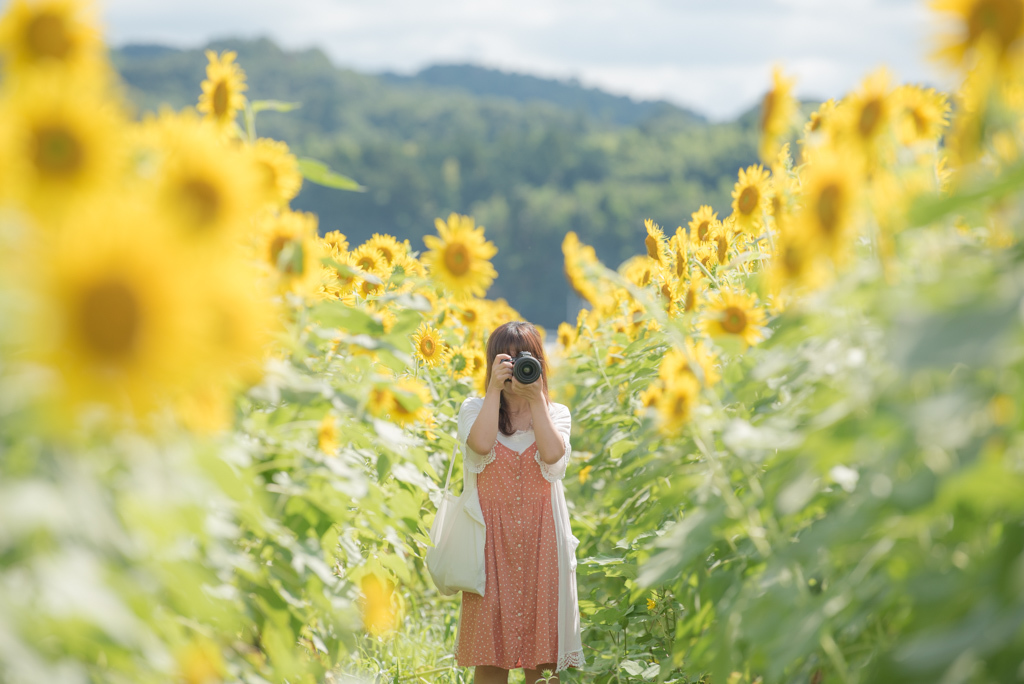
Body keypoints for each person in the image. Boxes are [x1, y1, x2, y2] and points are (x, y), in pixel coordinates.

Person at [453, 321, 585, 684]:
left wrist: (536, 399)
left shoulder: (556, 413)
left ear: (540, 362)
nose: (517, 367)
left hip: (543, 544)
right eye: (506, 360)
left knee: (542, 661)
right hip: (490, 546)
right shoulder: (474, 408)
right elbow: (480, 445)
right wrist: (494, 390)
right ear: (492, 364)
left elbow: (554, 455)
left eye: (525, 359)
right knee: (490, 658)